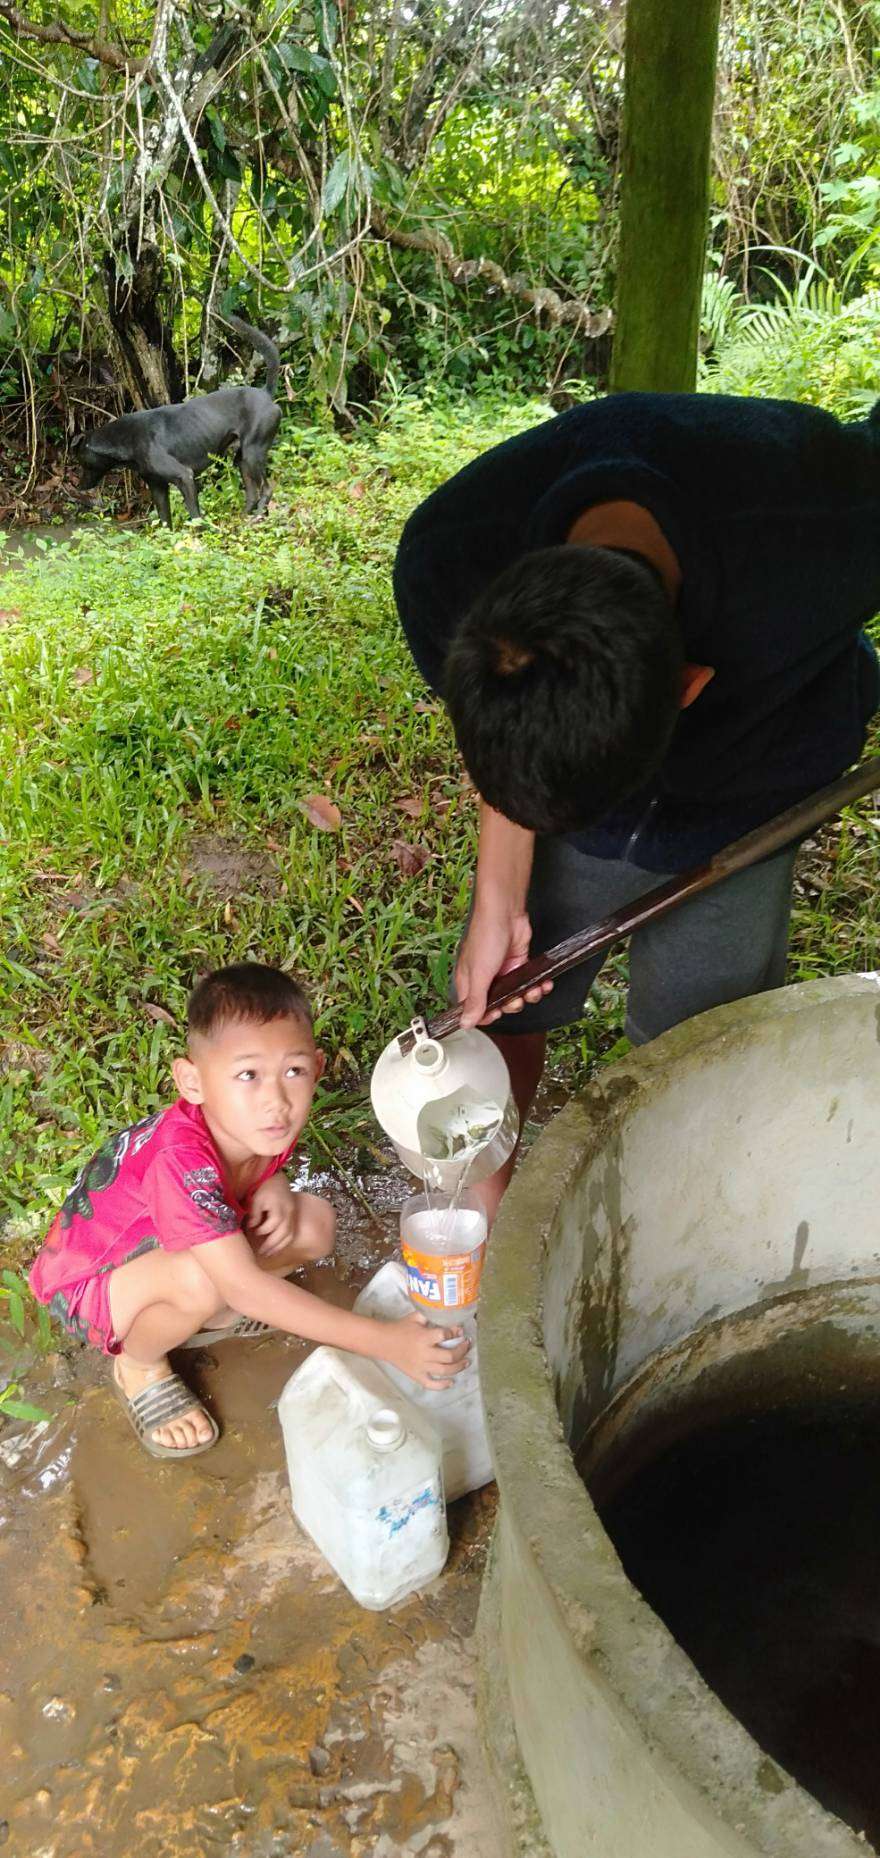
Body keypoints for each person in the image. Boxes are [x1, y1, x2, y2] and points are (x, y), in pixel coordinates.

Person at [393, 391, 880, 1219]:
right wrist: (499, 901)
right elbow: (511, 735)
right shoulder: (447, 561)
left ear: (694, 687)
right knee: (511, 992)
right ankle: (485, 1219)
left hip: (751, 791)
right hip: (593, 733)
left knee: (698, 1035)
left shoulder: (826, 524)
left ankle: (671, 1216)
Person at [29, 962, 468, 1459]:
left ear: (316, 1067)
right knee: (206, 1282)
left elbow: (254, 1168)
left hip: (167, 1255)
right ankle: (140, 1364)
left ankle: (212, 1316)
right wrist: (386, 1342)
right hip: (93, 1282)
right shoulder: (180, 1158)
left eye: (293, 1071)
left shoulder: (251, 1120)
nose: (276, 1100)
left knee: (312, 1223)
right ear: (192, 1081)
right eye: (247, 1074)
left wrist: (273, 1181)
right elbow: (241, 1281)